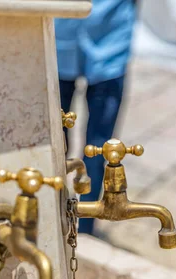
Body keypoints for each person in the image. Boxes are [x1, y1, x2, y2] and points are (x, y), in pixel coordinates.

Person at [55, 0, 138, 235]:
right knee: (53, 140)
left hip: (111, 38)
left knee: (100, 148)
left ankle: (85, 227)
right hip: (60, 37)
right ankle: (51, 216)